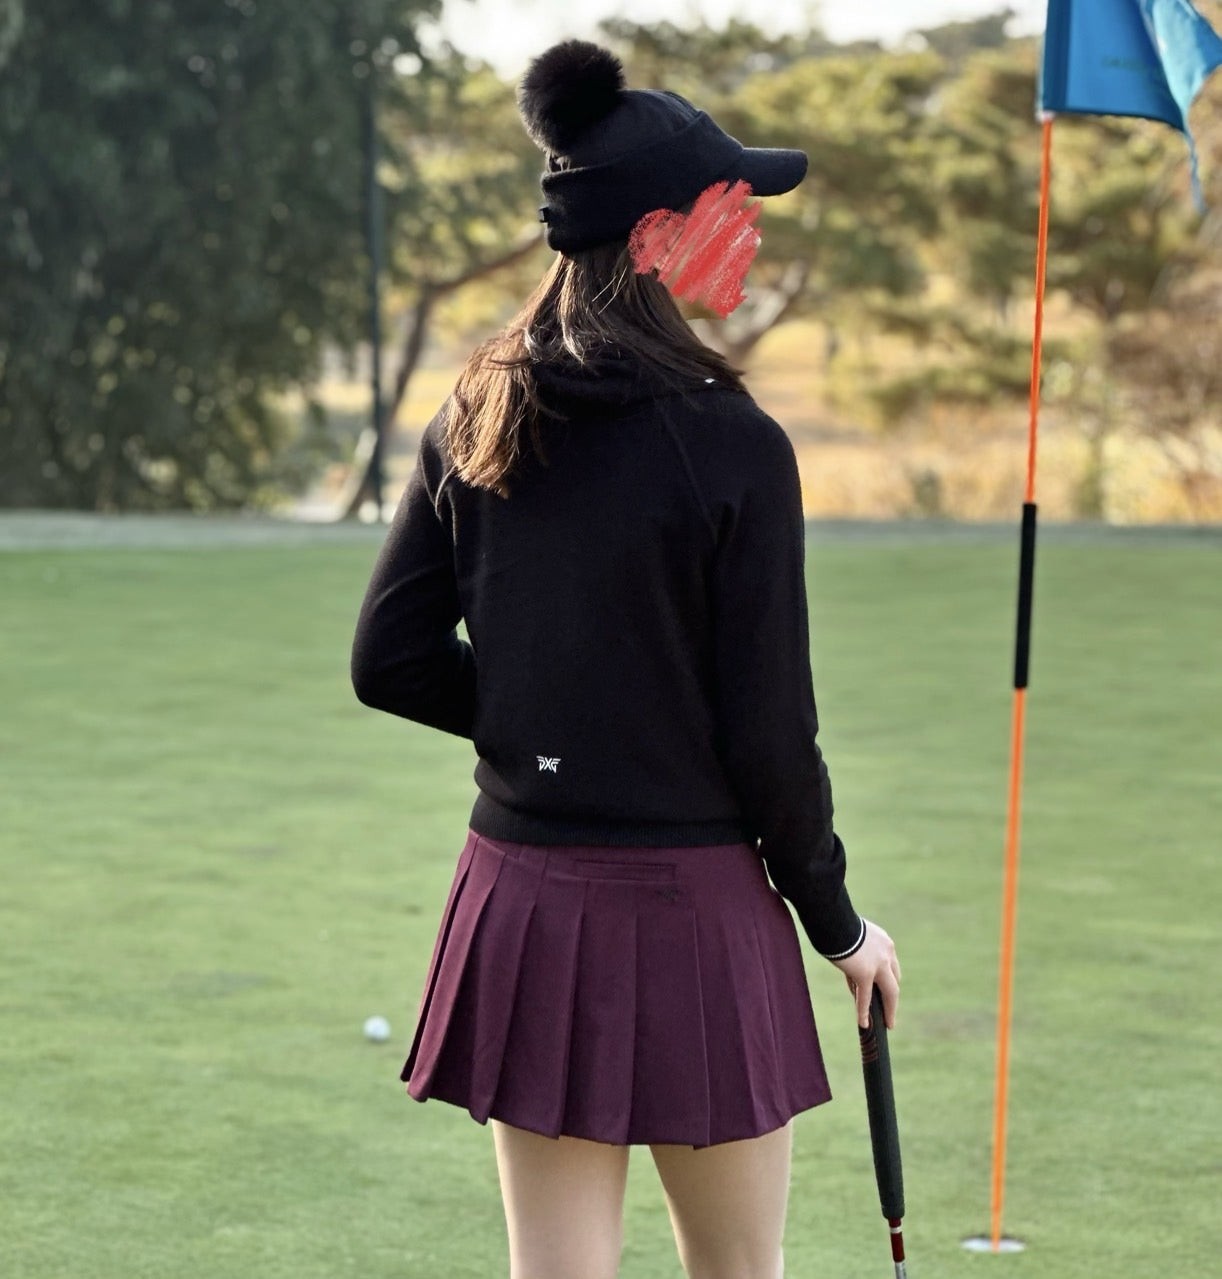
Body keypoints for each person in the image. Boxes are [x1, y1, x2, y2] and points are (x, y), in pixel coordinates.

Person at [350, 39, 901, 1279]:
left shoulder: (478, 406)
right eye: (728, 210)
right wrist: (840, 927)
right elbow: (770, 736)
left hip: (526, 893)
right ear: (654, 237)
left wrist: (550, 722)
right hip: (694, 907)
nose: (749, 234)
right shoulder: (735, 443)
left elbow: (390, 661)